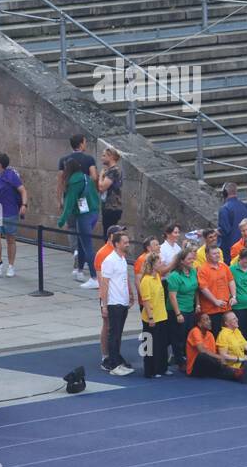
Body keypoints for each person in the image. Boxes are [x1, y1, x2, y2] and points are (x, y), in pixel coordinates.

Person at [57, 153, 100, 289]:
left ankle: (95, 277)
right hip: (93, 212)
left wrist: (61, 220)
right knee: (82, 244)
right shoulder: (86, 177)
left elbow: (69, 203)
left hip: (83, 215)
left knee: (87, 247)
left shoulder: (74, 182)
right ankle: (79, 270)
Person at [99, 230, 136, 376]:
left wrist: (130, 294)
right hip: (114, 303)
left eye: (128, 242)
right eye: (125, 242)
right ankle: (113, 365)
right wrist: (105, 305)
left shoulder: (122, 259)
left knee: (118, 334)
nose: (127, 244)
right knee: (113, 334)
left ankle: (117, 361)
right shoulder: (109, 260)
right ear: (116, 244)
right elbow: (104, 284)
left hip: (123, 301)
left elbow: (124, 278)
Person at [0, 152, 27, 278]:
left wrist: (24, 205)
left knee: (10, 239)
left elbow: (23, 190)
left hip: (9, 210)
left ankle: (11, 266)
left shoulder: (11, 175)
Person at [165, 246, 200, 370]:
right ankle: (179, 361)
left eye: (193, 258)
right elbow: (172, 296)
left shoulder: (193, 272)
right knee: (178, 336)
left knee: (188, 335)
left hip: (190, 308)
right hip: (178, 309)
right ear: (182, 261)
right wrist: (178, 313)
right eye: (189, 259)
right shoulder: (174, 276)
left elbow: (196, 289)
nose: (192, 260)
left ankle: (186, 357)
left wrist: (198, 304)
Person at [186, 312, 247, 382]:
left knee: (217, 369)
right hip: (195, 368)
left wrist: (221, 359)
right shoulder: (195, 331)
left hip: (207, 366)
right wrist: (220, 357)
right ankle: (234, 371)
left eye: (209, 319)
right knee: (203, 356)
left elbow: (213, 353)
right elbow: (201, 350)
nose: (209, 321)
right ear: (199, 323)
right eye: (206, 320)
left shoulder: (210, 335)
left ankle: (236, 374)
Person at [138, 251, 172, 378]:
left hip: (162, 315)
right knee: (150, 345)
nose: (161, 263)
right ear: (152, 265)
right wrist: (151, 317)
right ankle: (150, 370)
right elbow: (146, 301)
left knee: (162, 344)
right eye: (159, 262)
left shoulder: (157, 276)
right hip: (151, 318)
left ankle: (162, 368)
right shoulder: (146, 280)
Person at [196, 244, 235, 331]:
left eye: (218, 253)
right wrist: (215, 301)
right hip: (211, 309)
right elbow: (203, 288)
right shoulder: (202, 269)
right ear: (207, 255)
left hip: (226, 307)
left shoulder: (224, 266)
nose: (217, 255)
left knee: (227, 333)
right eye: (214, 253)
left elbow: (231, 281)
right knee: (215, 334)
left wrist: (234, 296)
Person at [97, 145, 124, 240]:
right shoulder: (110, 170)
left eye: (104, 156)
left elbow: (102, 187)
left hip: (112, 207)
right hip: (109, 206)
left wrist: (100, 176)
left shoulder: (114, 171)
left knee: (109, 235)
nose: (101, 158)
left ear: (111, 157)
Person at [217, 182, 247, 262]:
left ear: (225, 193)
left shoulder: (225, 209)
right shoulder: (245, 206)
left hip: (229, 250)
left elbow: (224, 231)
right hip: (245, 246)